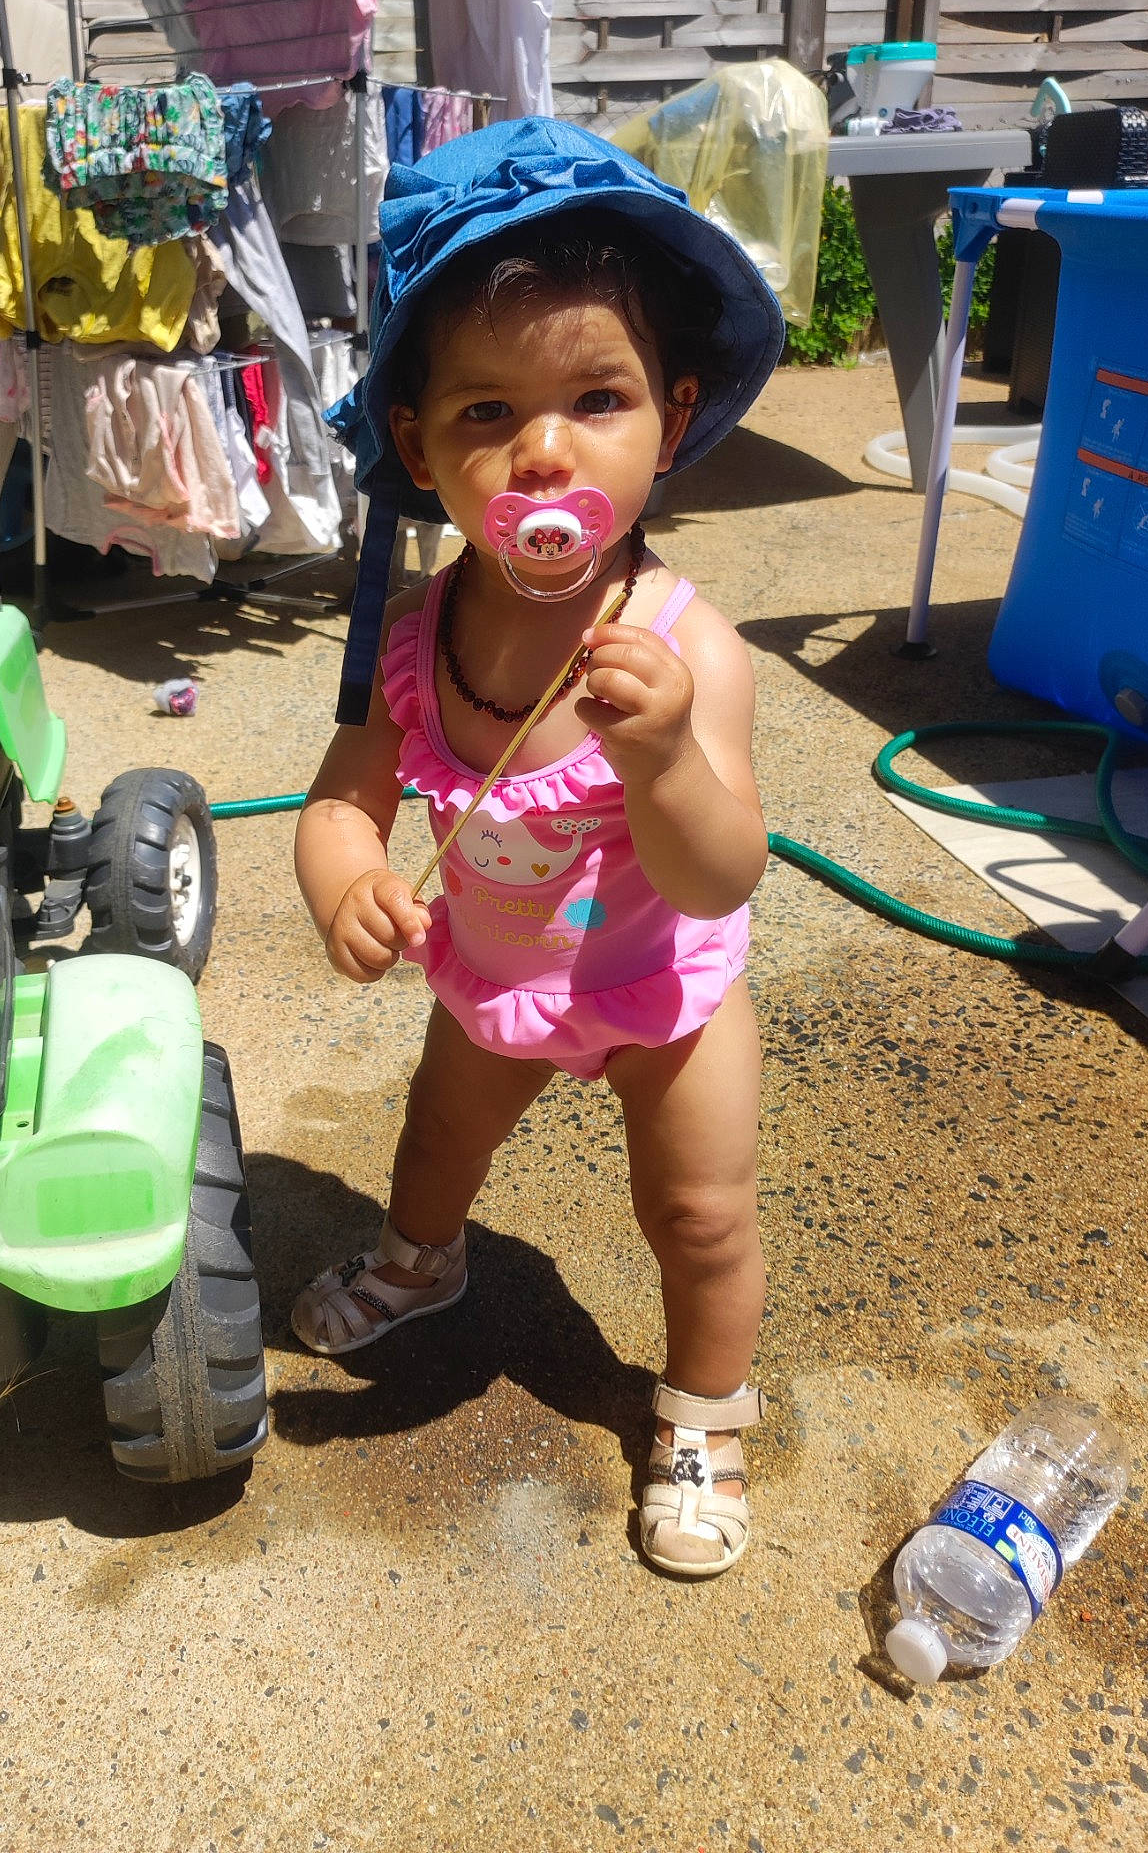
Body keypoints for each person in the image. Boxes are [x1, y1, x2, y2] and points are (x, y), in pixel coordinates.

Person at [290, 119, 785, 1578]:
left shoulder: (687, 651)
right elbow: (341, 800)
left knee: (697, 1211)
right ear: (419, 445)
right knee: (437, 1138)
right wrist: (348, 885)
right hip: (494, 980)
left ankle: (702, 1405)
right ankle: (421, 1261)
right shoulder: (412, 634)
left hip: (660, 992)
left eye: (597, 397)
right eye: (487, 412)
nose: (543, 448)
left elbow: (721, 872)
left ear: (672, 419)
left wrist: (664, 759)